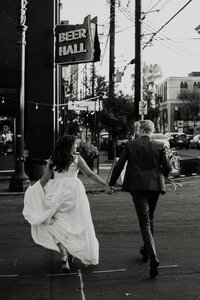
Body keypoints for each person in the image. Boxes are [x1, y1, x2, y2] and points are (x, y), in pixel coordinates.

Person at [23, 134, 110, 273]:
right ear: (70, 146)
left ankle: (64, 255)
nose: (76, 146)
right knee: (76, 223)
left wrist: (34, 190)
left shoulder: (53, 159)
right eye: (75, 144)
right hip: (74, 193)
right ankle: (72, 251)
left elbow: (45, 178)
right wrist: (105, 184)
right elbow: (90, 175)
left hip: (56, 192)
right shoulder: (77, 159)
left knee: (58, 223)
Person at [109, 120, 171, 279]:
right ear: (151, 130)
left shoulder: (131, 145)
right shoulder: (159, 145)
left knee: (144, 220)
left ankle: (152, 257)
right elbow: (168, 167)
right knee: (150, 217)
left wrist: (111, 183)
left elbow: (119, 165)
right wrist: (164, 174)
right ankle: (147, 249)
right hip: (155, 185)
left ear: (141, 130)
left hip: (136, 185)